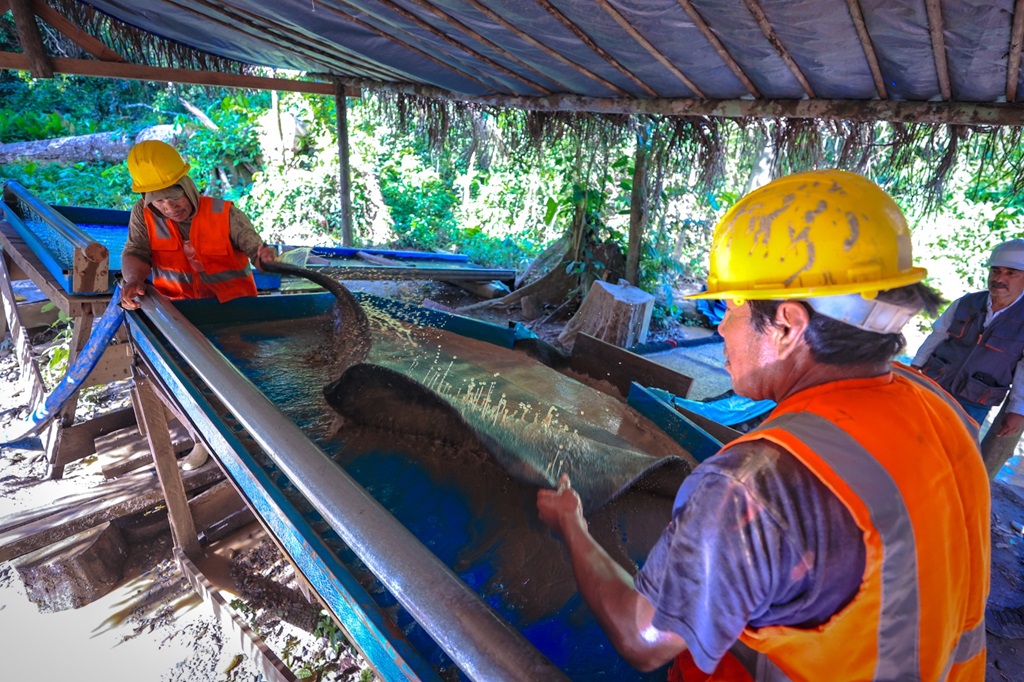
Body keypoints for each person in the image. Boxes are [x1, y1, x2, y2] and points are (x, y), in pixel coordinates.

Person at [537, 170, 989, 681]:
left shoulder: (752, 485)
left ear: (788, 325)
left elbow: (642, 637)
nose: (721, 326)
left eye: (731, 306)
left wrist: (571, 526)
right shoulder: (937, 405)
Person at [119, 140, 276, 310]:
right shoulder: (143, 212)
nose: (170, 208)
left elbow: (257, 253)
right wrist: (134, 279)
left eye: (174, 196)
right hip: (175, 313)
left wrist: (265, 260)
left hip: (236, 310)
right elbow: (136, 251)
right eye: (158, 200)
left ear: (188, 186)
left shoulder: (225, 214)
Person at [911, 239, 1024, 436]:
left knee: (950, 451)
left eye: (1011, 273)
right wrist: (914, 368)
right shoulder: (966, 302)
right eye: (995, 271)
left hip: (974, 401)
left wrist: (1017, 409)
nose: (999, 278)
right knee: (908, 432)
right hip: (933, 383)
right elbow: (937, 335)